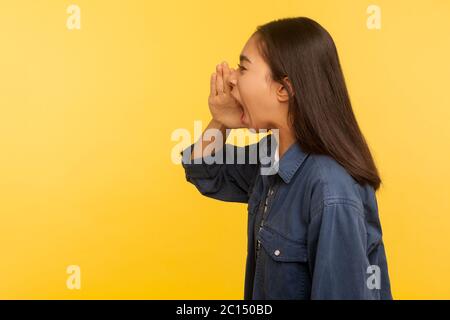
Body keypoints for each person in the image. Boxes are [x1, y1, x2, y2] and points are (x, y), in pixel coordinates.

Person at [180, 17, 392, 300]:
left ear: (284, 89)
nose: (231, 77)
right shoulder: (272, 155)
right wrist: (222, 122)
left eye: (243, 67)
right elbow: (204, 171)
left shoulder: (330, 191)